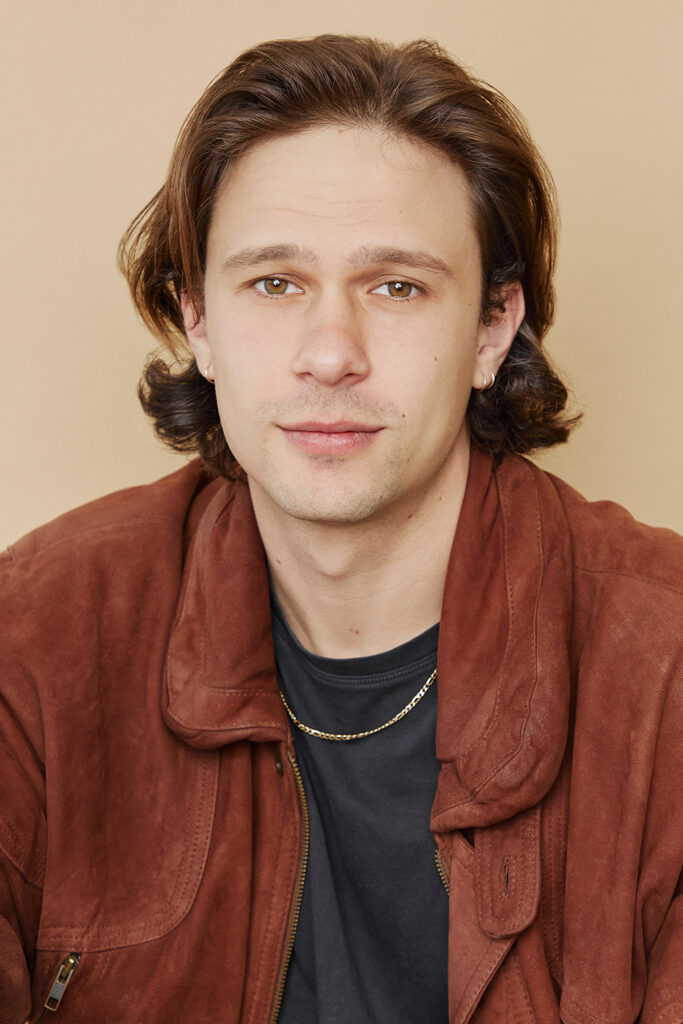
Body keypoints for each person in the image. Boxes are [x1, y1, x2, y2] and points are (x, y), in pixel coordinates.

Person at [1, 34, 681, 1024]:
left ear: (491, 329)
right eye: (272, 282)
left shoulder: (660, 664)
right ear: (196, 318)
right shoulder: (38, 631)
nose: (330, 352)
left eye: (395, 285)